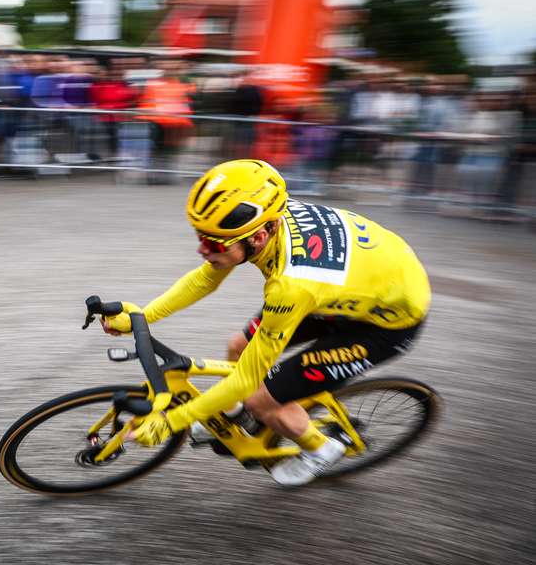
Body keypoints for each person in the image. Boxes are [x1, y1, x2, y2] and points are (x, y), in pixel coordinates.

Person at [101, 159, 431, 486]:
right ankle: (231, 413)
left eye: (213, 242)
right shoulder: (267, 216)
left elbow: (246, 380)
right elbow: (205, 280)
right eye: (200, 236)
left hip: (384, 325)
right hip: (346, 293)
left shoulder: (291, 285)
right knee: (238, 346)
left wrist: (172, 421)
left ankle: (320, 449)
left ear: (258, 238)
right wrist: (140, 316)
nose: (202, 249)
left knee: (260, 398)